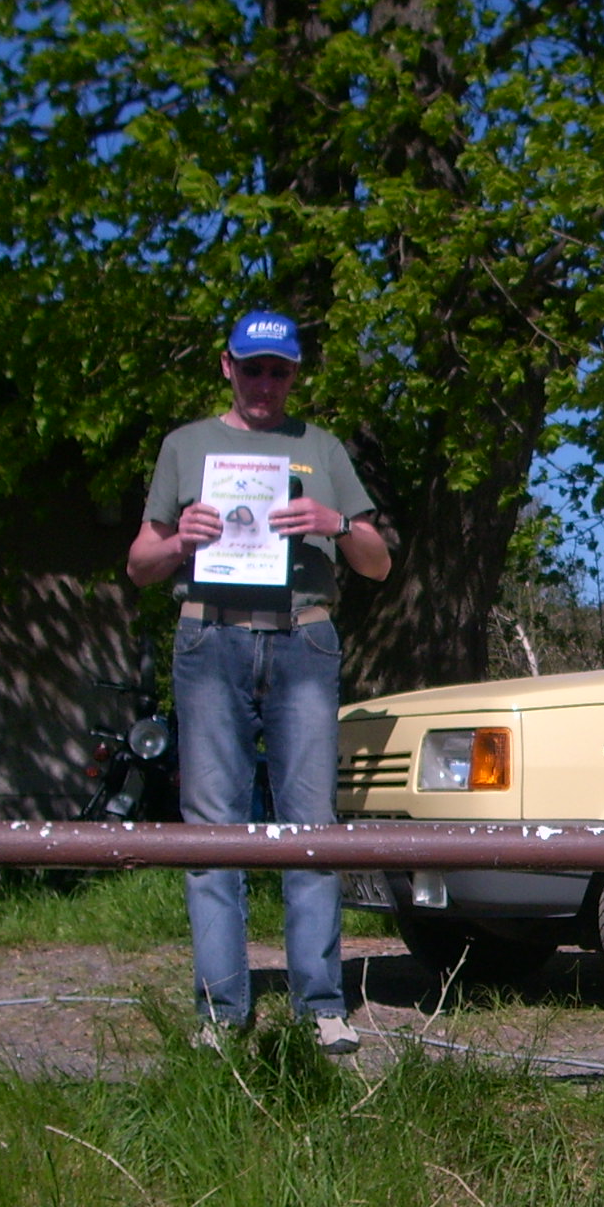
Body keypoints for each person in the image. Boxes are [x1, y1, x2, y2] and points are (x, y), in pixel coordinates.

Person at [126, 309, 392, 1054]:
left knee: (311, 826)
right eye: (253, 368)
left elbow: (378, 563)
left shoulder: (321, 448)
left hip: (304, 638)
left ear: (294, 374)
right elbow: (140, 565)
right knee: (213, 830)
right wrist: (180, 541)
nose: (265, 383)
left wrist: (337, 524)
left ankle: (321, 1006)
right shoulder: (185, 446)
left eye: (279, 371)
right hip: (209, 637)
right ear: (228, 367)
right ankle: (221, 1012)